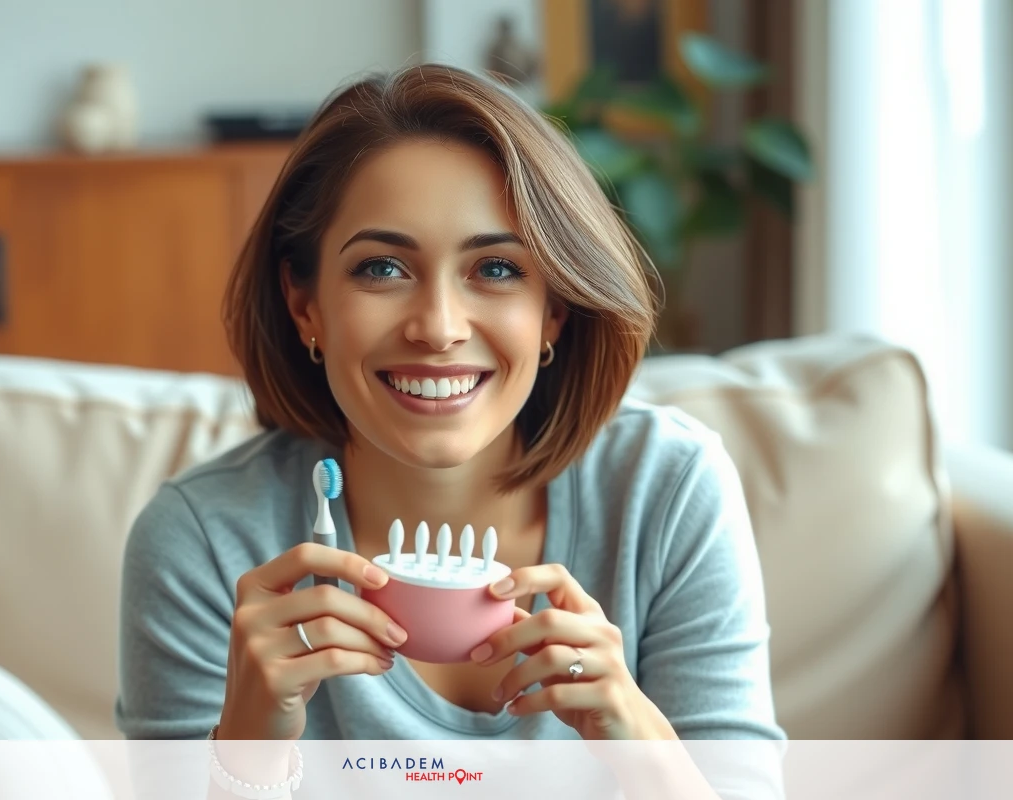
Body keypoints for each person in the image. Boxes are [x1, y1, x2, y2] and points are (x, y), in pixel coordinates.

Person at [115, 64, 783, 751]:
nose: (438, 328)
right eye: (382, 268)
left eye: (496, 269)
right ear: (304, 304)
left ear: (554, 309)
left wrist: (639, 743)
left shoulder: (667, 490)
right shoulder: (203, 542)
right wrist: (246, 754)